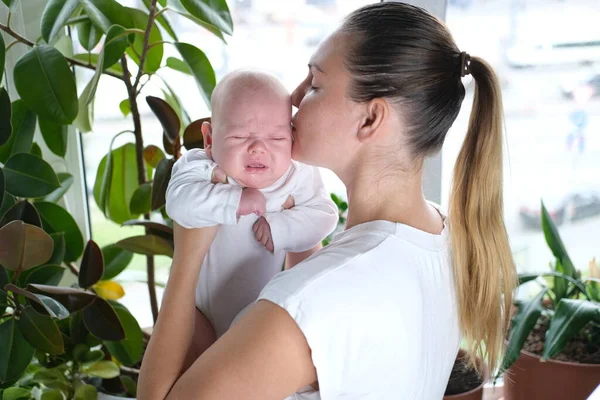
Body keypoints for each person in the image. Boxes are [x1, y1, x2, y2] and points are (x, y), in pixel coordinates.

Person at [138, 3, 517, 399]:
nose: (294, 98)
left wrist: (188, 253)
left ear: (370, 120)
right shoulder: (447, 240)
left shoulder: (305, 307)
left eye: (315, 84)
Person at [165, 69, 338, 342]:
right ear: (209, 139)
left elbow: (325, 215)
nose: (258, 148)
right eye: (240, 137)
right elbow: (178, 203)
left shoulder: (296, 173)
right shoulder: (199, 166)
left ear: (291, 137)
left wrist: (281, 227)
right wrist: (234, 200)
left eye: (276, 139)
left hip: (256, 319)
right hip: (197, 313)